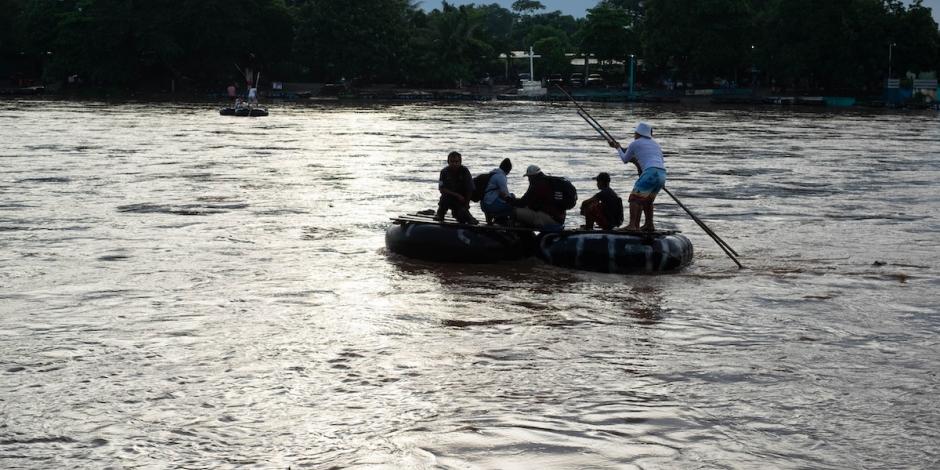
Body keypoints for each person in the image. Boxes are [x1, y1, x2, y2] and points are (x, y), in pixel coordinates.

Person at [611, 122, 666, 231]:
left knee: (634, 198)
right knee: (648, 200)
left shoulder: (635, 143)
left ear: (639, 133)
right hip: (662, 173)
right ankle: (649, 224)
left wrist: (617, 148)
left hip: (650, 172)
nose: (634, 135)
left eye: (635, 133)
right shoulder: (655, 144)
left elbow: (625, 159)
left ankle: (632, 225)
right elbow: (653, 159)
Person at [512, 165, 565, 229]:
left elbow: (523, 202)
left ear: (533, 176)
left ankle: (517, 236)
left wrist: (509, 200)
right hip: (558, 218)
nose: (528, 179)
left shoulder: (537, 185)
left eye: (529, 177)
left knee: (514, 211)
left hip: (550, 218)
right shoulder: (547, 181)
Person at [435, 151, 478, 225]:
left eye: (456, 161)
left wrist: (466, 204)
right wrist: (456, 195)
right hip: (448, 198)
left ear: (460, 162)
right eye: (452, 161)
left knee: (464, 218)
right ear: (448, 162)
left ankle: (465, 215)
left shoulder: (465, 171)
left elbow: (470, 189)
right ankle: (440, 214)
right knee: (445, 198)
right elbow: (441, 189)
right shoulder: (444, 172)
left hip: (461, 201)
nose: (454, 164)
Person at [481, 158, 515, 225]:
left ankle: (495, 218)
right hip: (489, 204)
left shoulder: (493, 173)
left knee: (511, 197)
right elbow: (506, 195)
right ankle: (510, 225)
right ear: (508, 170)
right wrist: (515, 201)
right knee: (513, 208)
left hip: (484, 203)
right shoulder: (501, 177)